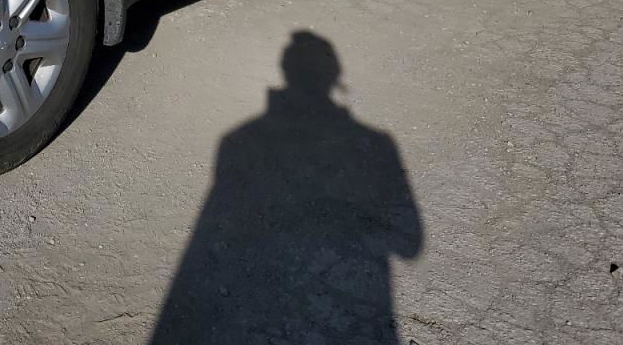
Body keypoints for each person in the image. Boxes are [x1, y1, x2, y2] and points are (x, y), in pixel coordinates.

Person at [151, 31, 423, 344]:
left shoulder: (238, 140)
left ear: (285, 71)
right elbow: (409, 244)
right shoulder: (377, 144)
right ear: (334, 75)